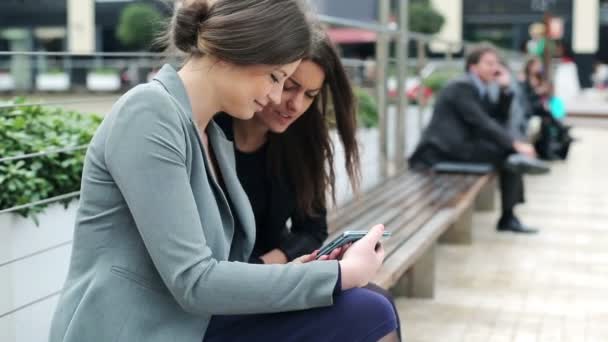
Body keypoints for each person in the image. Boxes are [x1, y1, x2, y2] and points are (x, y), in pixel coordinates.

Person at [48, 1, 398, 342]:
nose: (276, 95)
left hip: (191, 321)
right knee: (367, 310)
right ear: (237, 48)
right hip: (138, 328)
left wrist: (306, 269)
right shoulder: (148, 113)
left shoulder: (212, 135)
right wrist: (337, 274)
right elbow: (195, 280)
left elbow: (222, 265)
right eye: (276, 78)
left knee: (373, 304)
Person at [215, 29, 402, 340]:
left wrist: (272, 263)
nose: (295, 105)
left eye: (311, 95)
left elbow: (312, 229)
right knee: (373, 310)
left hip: (279, 272)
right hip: (224, 288)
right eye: (289, 86)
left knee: (381, 300)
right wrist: (267, 271)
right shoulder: (211, 133)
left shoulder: (302, 139)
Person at [409, 45, 549, 234]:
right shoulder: (461, 86)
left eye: (497, 64)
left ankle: (509, 215)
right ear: (474, 67)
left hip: (460, 147)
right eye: (489, 63)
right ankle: (509, 217)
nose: (495, 68)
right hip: (439, 152)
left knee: (511, 154)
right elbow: (483, 123)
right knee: (509, 153)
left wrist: (505, 89)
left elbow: (498, 118)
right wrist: (515, 144)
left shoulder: (478, 86)